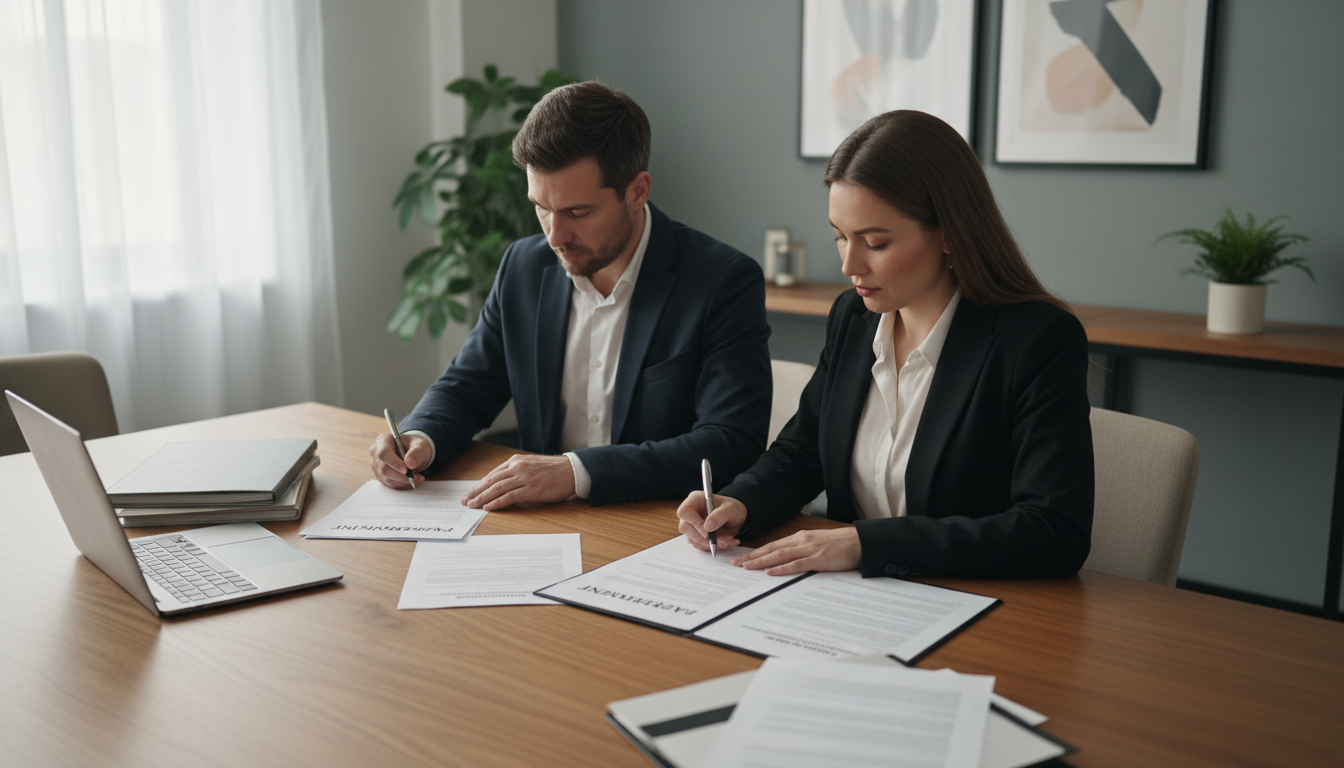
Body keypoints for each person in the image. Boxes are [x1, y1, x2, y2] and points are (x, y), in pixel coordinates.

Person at [677, 110, 1094, 579]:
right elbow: (806, 449)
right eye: (839, 237)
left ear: (949, 233)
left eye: (874, 243)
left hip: (969, 602)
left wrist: (863, 543)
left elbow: (1054, 531)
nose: (850, 265)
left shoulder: (1037, 340)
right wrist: (741, 501)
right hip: (849, 597)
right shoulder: (853, 316)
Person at [369, 82, 772, 509]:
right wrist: (420, 435)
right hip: (543, 523)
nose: (555, 235)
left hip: (657, 526)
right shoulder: (523, 267)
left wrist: (575, 472)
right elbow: (468, 387)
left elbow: (730, 442)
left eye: (577, 212)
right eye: (541, 207)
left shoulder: (722, 281)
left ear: (637, 191)